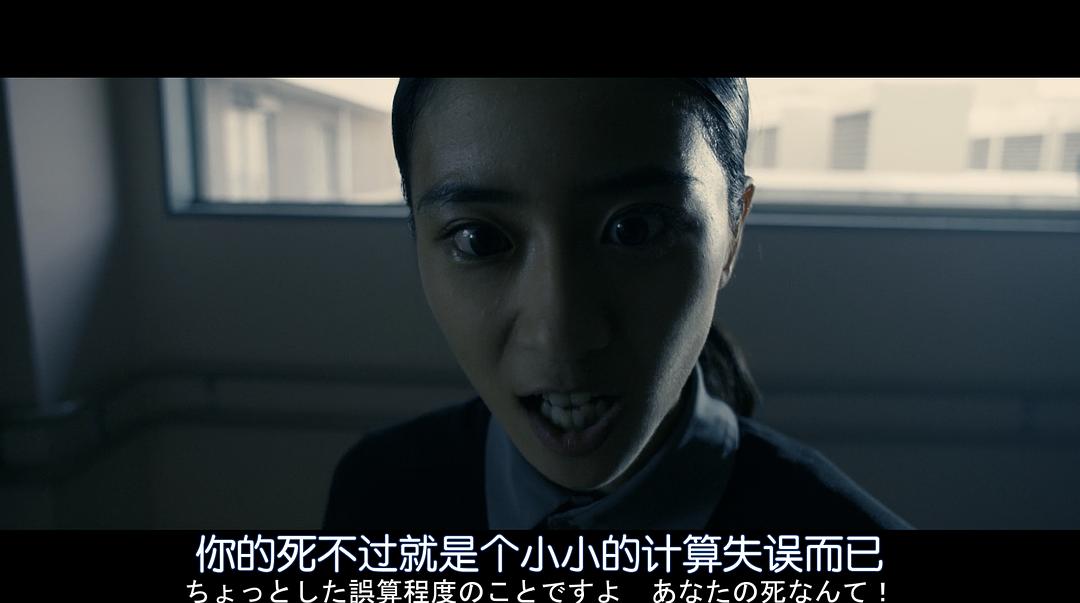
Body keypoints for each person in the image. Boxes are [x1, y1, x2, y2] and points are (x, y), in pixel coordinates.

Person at [323, 78, 911, 530]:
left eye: (636, 230)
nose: (562, 333)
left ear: (733, 231)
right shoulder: (380, 495)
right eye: (480, 240)